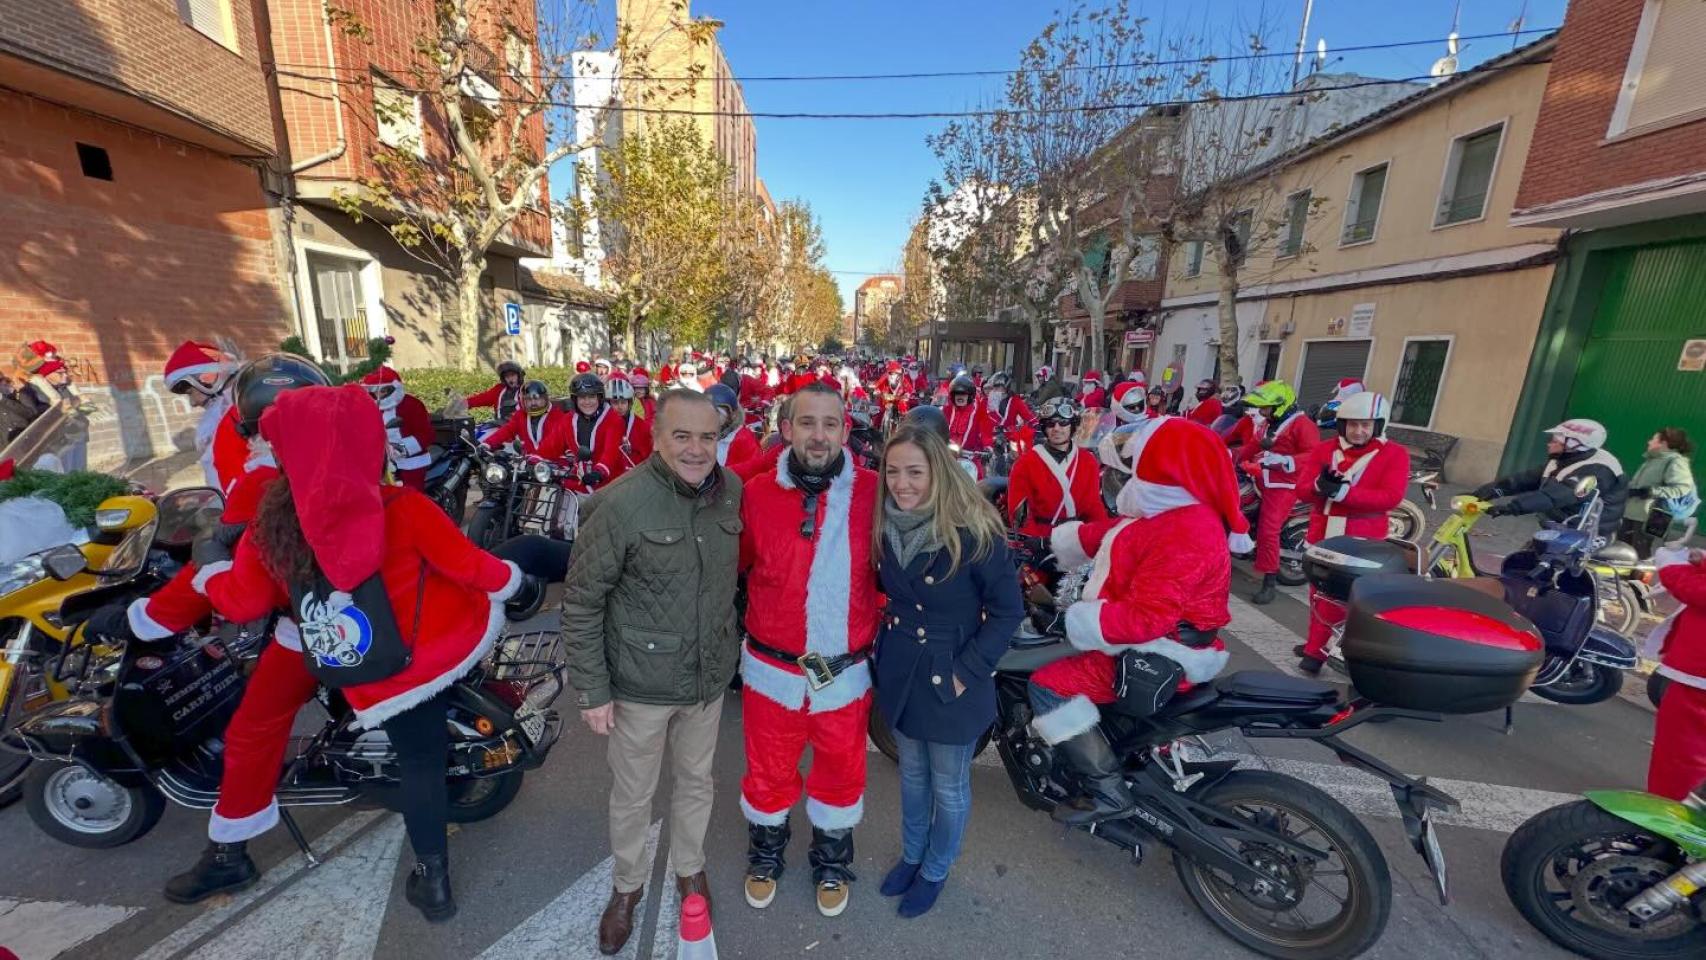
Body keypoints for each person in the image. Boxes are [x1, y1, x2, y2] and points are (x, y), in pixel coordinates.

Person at [181, 383, 524, 922]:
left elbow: (243, 602)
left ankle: (229, 851)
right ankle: (432, 880)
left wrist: (210, 562)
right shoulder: (405, 506)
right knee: (421, 762)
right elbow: (472, 566)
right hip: (408, 659)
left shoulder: (273, 522)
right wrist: (516, 582)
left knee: (253, 729)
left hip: (311, 648)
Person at [560, 389, 743, 954]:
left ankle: (690, 867)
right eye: (681, 436)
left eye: (707, 437)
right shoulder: (617, 505)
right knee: (633, 795)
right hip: (639, 686)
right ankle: (627, 887)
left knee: (696, 782)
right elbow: (583, 601)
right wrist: (592, 689)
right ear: (656, 437)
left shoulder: (730, 491)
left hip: (705, 680)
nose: (695, 449)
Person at [1029, 416, 1249, 823]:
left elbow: (1146, 619)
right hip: (1157, 638)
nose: (1118, 478)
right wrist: (1043, 543)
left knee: (1046, 686)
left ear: (1163, 468)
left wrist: (1073, 621)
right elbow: (1113, 534)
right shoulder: (1170, 512)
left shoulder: (1188, 531)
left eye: (1131, 467)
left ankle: (1106, 790)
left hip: (1160, 650)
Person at [738, 383, 881, 918]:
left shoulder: (874, 492)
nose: (818, 435)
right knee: (767, 768)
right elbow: (738, 562)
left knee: (841, 770)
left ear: (845, 431)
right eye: (806, 423)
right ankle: (766, 852)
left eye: (829, 424)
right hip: (771, 669)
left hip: (842, 673)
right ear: (786, 430)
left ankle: (832, 860)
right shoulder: (755, 493)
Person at [1293, 392, 1410, 672]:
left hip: (1363, 538)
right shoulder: (1324, 449)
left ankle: (1342, 651)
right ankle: (1315, 647)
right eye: (1353, 424)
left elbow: (1390, 497)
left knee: (1356, 600)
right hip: (1324, 532)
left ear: (1377, 426)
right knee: (1319, 594)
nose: (1359, 431)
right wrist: (1320, 487)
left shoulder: (1395, 453)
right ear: (1342, 424)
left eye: (1366, 425)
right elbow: (1302, 489)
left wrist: (1345, 492)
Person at [1474, 419, 1627, 539]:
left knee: (1539, 572)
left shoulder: (1598, 470)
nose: (1549, 444)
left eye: (1555, 442)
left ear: (1574, 444)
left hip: (1588, 535)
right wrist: (1488, 491)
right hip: (1563, 528)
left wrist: (1512, 507)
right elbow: (1525, 480)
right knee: (1519, 565)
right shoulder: (1562, 460)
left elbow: (1557, 496)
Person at [1239, 381, 1319, 604]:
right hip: (1262, 478)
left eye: (1265, 407)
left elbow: (1313, 454)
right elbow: (1253, 446)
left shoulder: (1302, 425)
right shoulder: (1269, 423)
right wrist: (1227, 455)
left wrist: (1286, 460)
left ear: (1280, 406)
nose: (1262, 412)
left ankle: (1269, 581)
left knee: (1268, 529)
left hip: (1285, 485)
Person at [1006, 397, 1109, 539]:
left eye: (1063, 423)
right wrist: (1034, 540)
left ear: (1072, 426)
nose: (1056, 428)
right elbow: (1019, 514)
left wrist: (1102, 535)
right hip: (1040, 540)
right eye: (1050, 424)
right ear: (1044, 427)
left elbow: (1093, 507)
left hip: (1077, 540)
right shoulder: (1025, 463)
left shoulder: (1088, 461)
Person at [1649, 546, 1706, 801]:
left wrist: (1671, 566)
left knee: (1682, 751)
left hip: (1698, 675)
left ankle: (1669, 809)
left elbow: (1698, 592)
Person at [162, 339, 244, 491]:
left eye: (190, 393)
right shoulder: (232, 411)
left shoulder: (241, 414)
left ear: (208, 379)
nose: (193, 403)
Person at [542, 373, 624, 492]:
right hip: (578, 481)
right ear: (575, 400)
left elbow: (611, 453)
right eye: (582, 397)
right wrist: (534, 458)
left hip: (608, 484)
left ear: (599, 398)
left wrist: (599, 472)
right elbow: (551, 444)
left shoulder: (614, 419)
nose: (587, 402)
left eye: (591, 397)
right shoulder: (568, 419)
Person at [1623, 428, 1698, 556]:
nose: (1649, 441)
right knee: (1623, 551)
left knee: (1641, 553)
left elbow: (1682, 488)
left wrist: (1651, 491)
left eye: (1653, 439)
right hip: (1633, 513)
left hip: (1655, 516)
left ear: (1664, 443)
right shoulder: (1653, 459)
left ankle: (1635, 577)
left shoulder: (1675, 461)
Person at [361, 366, 435, 491]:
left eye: (383, 391)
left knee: (411, 500)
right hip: (380, 464)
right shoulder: (368, 408)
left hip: (411, 464)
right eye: (374, 391)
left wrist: (401, 448)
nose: (378, 395)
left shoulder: (412, 404)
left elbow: (426, 434)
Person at [483, 380, 566, 459]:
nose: (533, 403)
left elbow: (566, 440)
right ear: (523, 400)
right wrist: (487, 444)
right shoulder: (520, 415)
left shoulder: (558, 416)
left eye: (537, 399)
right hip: (528, 465)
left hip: (555, 465)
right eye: (529, 399)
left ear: (545, 399)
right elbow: (506, 431)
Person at [942, 375, 990, 476]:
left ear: (970, 396)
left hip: (970, 457)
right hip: (947, 455)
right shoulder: (947, 410)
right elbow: (938, 427)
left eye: (963, 394)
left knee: (979, 483)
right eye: (957, 394)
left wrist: (988, 447)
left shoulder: (979, 411)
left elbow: (986, 431)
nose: (960, 397)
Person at [706, 383, 761, 470]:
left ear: (732, 415)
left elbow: (753, 469)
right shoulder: (700, 434)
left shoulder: (744, 440)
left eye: (717, 413)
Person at [608, 375, 652, 474]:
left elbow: (649, 455)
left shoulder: (641, 426)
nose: (619, 407)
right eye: (615, 402)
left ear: (630, 403)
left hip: (635, 474)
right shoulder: (603, 424)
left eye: (623, 402)